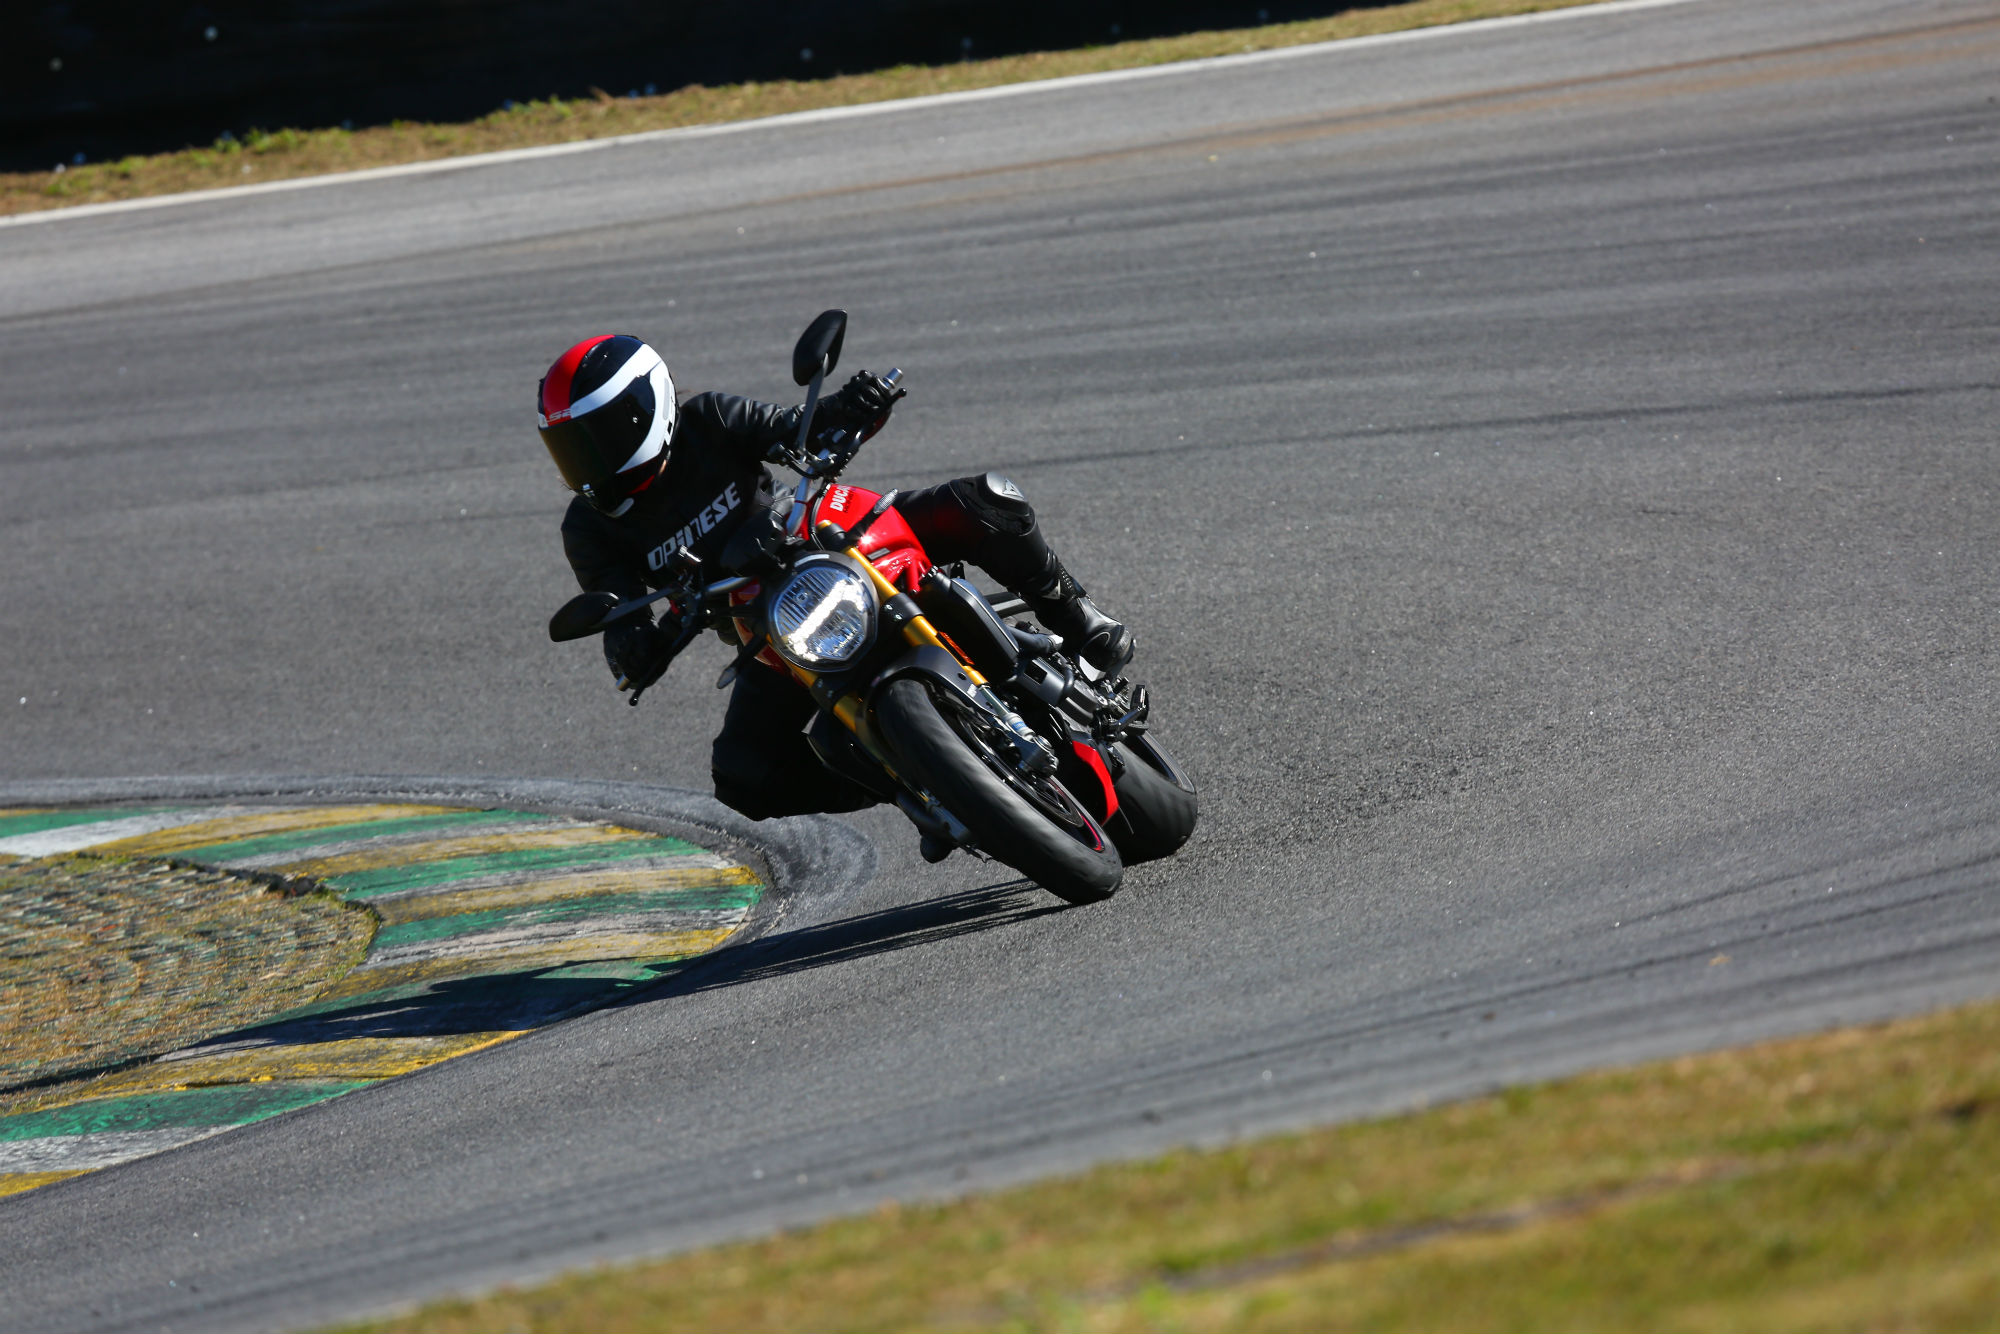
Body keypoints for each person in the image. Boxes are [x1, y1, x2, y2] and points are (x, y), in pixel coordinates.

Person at [538, 332, 1132, 820]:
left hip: (822, 540)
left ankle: (1077, 618)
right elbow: (614, 609)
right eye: (569, 447)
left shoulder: (705, 419)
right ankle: (913, 778)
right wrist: (633, 646)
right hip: (764, 628)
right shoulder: (588, 528)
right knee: (743, 776)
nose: (585, 463)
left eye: (597, 437)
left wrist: (849, 406)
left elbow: (793, 427)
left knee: (986, 501)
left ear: (646, 407)